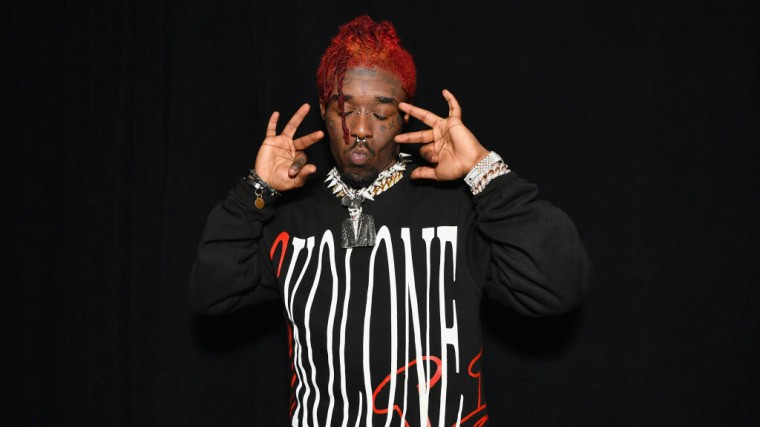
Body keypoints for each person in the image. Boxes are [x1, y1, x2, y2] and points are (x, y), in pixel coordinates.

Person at [189, 15, 593, 427]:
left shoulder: (457, 207)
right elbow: (211, 292)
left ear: (404, 117)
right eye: (345, 109)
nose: (361, 128)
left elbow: (558, 284)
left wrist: (483, 171)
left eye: (381, 112)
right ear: (324, 112)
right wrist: (255, 191)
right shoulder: (290, 216)